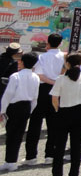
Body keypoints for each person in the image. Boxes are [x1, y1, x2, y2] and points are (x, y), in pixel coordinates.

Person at [49, 52, 81, 176]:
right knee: (76, 146)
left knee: (59, 146)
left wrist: (57, 110)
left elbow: (54, 98)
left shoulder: (61, 79)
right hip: (80, 112)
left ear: (67, 63)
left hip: (64, 112)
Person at [24, 32, 64, 165]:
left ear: (48, 42)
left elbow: (39, 75)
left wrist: (52, 82)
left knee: (35, 122)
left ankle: (31, 156)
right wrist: (56, 84)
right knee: (54, 124)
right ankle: (50, 155)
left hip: (42, 90)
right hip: (58, 91)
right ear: (60, 43)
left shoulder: (42, 57)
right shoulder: (64, 57)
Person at [0, 51, 39, 171]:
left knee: (11, 134)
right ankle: (12, 160)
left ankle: (10, 161)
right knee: (19, 134)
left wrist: (2, 110)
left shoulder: (15, 76)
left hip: (14, 106)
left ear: (21, 62)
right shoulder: (36, 77)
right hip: (27, 106)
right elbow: (35, 97)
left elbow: (8, 95)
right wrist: (30, 110)